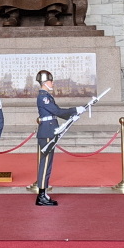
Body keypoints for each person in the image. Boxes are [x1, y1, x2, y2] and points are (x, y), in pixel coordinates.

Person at [34, 70, 85, 206]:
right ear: (45, 82)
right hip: (47, 132)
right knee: (45, 164)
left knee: (48, 164)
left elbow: (57, 112)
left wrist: (73, 114)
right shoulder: (43, 96)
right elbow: (57, 111)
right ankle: (41, 195)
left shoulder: (47, 96)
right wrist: (75, 110)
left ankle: (43, 193)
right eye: (50, 81)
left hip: (50, 131)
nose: (52, 83)